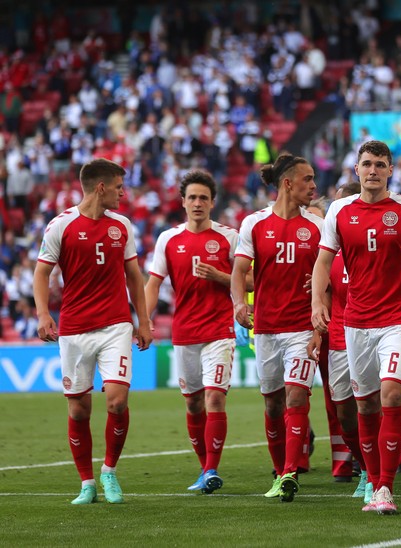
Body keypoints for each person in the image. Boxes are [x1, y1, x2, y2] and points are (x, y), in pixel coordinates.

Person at [311, 140, 401, 515]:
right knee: (366, 408)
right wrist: (317, 302)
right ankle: (373, 479)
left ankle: (386, 488)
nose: (373, 170)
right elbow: (322, 262)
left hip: (398, 319)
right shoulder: (340, 211)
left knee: (391, 395)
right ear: (356, 170)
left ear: (391, 170)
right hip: (356, 324)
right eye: (367, 164)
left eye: (380, 164)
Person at [33, 158, 152, 505]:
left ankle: (109, 471)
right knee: (79, 411)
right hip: (74, 329)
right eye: (118, 187)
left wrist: (143, 321)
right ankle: (86, 482)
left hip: (115, 325)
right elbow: (42, 274)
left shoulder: (122, 226)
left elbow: (134, 276)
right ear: (101, 188)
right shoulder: (61, 225)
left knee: (116, 401)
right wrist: (43, 314)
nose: (123, 193)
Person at [231, 153, 323, 503]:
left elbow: (326, 277)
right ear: (288, 183)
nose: (314, 186)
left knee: (297, 396)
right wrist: (240, 303)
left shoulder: (316, 227)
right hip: (266, 329)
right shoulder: (254, 224)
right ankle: (279, 469)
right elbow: (240, 271)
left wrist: (318, 325)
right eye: (308, 179)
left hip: (302, 327)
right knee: (272, 405)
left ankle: (289, 473)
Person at [145, 170, 244, 494]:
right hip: (185, 333)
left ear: (213, 202)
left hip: (219, 330)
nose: (198, 203)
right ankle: (204, 469)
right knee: (193, 405)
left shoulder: (229, 237)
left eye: (204, 197)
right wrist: (144, 320)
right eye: (192, 197)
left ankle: (212, 468)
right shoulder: (168, 239)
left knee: (215, 397)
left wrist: (219, 275)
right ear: (183, 202)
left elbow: (253, 281)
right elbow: (153, 284)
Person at [314, 181, 374, 500]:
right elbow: (322, 291)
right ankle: (364, 465)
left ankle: (376, 474)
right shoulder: (330, 252)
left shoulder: (375, 246)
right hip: (338, 339)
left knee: (372, 407)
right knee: (345, 413)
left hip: (373, 335)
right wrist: (317, 322)